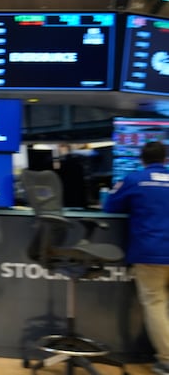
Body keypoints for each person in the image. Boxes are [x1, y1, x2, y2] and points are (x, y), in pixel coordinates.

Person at [103, 141, 169, 375]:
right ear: (165, 159)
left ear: (142, 159)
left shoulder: (134, 179)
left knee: (156, 305)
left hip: (150, 253)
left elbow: (109, 206)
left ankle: (166, 359)